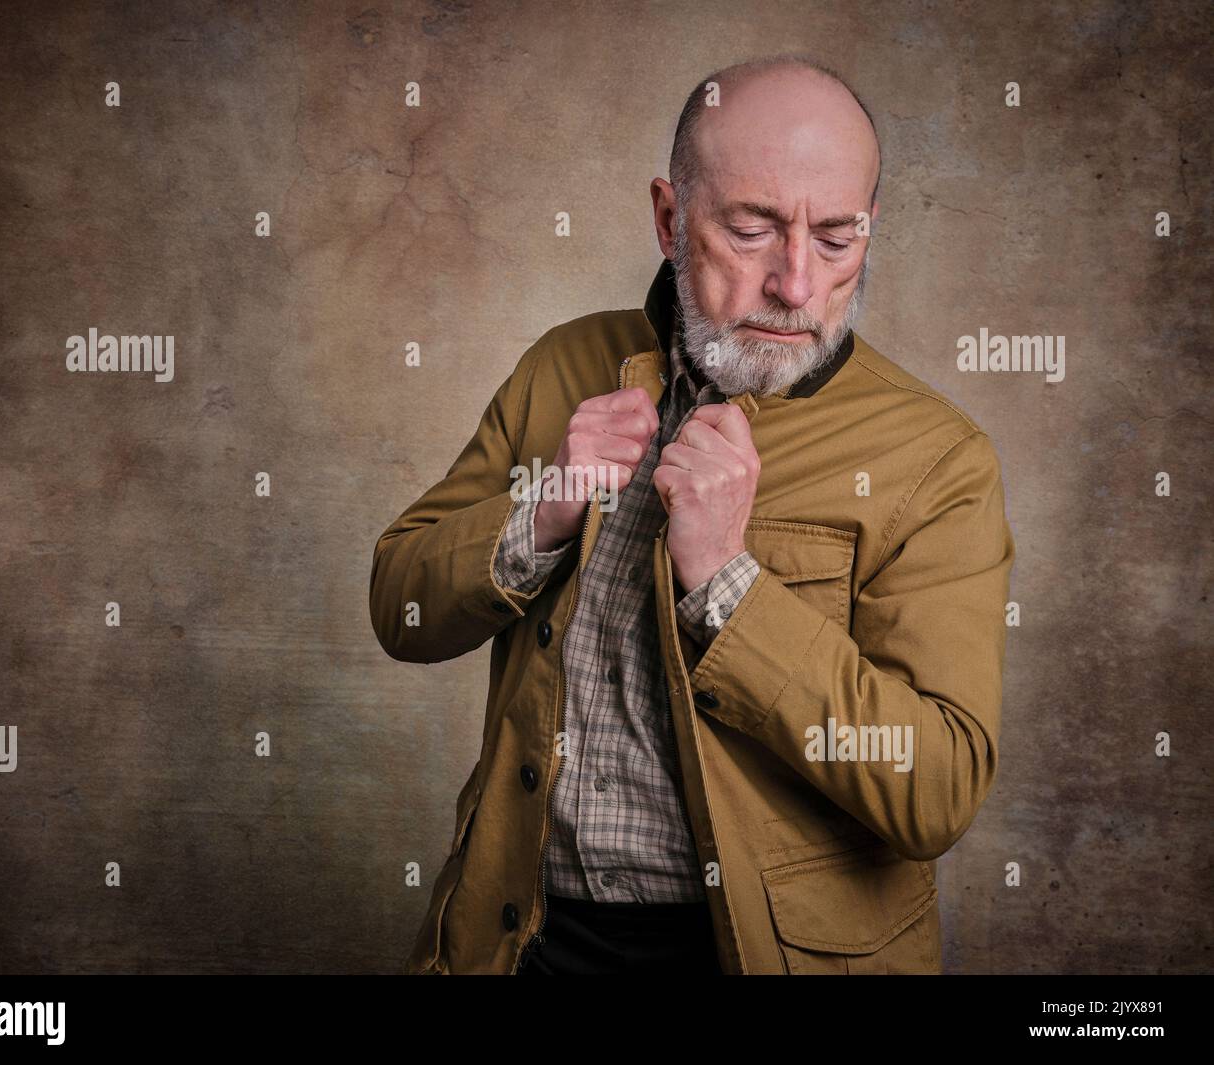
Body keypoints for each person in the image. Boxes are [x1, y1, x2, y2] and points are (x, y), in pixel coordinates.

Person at [370, 53, 1015, 975]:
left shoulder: (939, 458)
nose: (796, 286)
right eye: (752, 231)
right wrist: (541, 509)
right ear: (671, 219)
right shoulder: (561, 365)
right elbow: (400, 606)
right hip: (523, 942)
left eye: (837, 239)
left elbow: (938, 793)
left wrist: (728, 586)